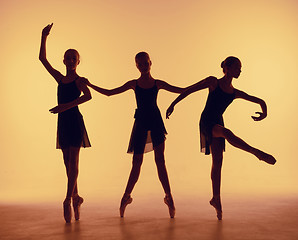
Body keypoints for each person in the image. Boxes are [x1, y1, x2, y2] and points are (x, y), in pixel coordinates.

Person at [166, 56, 276, 220]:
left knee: (217, 162)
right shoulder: (213, 82)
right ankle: (256, 153)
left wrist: (264, 112)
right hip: (207, 122)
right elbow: (190, 89)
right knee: (227, 133)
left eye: (241, 68)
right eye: (237, 67)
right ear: (228, 68)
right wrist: (173, 104)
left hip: (218, 121)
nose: (240, 70)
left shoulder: (234, 92)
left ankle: (216, 199)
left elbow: (260, 101)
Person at [84, 52, 186, 218]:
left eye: (145, 63)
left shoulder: (157, 83)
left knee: (160, 160)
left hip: (156, 121)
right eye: (140, 64)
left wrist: (202, 84)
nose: (143, 66)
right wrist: (90, 85)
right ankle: (125, 197)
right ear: (136, 66)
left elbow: (181, 90)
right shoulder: (134, 84)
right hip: (140, 123)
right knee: (136, 162)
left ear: (150, 63)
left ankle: (169, 197)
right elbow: (110, 92)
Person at [39, 23, 92, 223]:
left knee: (74, 162)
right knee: (66, 161)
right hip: (62, 123)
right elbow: (42, 59)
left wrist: (65, 106)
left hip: (74, 122)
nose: (70, 60)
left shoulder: (79, 80)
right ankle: (77, 197)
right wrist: (44, 36)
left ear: (78, 61)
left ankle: (67, 199)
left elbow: (88, 97)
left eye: (74, 58)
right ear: (64, 60)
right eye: (67, 57)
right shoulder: (60, 79)